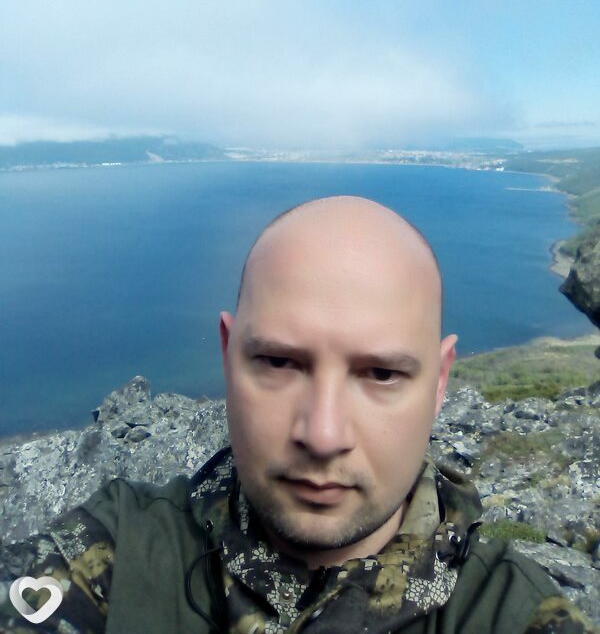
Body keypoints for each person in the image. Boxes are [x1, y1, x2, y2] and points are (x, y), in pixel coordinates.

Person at [0, 196, 596, 633]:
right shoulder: (116, 552)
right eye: (280, 362)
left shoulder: (514, 615)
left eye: (381, 374)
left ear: (440, 382)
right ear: (228, 356)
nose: (323, 434)